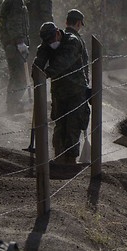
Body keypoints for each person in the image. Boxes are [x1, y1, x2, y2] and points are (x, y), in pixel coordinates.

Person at [33, 22, 90, 164]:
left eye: (52, 39)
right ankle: (58, 157)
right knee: (59, 125)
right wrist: (36, 74)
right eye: (48, 41)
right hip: (59, 93)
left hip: (76, 92)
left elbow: (62, 63)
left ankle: (70, 161)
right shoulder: (46, 45)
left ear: (58, 32)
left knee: (73, 125)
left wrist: (45, 74)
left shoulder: (72, 42)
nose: (51, 43)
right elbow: (38, 62)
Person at [0, 0, 37, 114]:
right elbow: (13, 23)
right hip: (14, 45)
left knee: (17, 74)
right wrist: (20, 42)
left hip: (13, 44)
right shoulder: (15, 0)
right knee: (19, 75)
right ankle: (13, 105)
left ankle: (13, 104)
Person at [27, 0, 54, 65]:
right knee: (41, 56)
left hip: (30, 31)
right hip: (40, 32)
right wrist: (52, 30)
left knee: (31, 55)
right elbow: (46, 15)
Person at [65, 9, 90, 85]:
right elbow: (84, 64)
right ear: (78, 23)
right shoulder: (78, 41)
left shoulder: (59, 37)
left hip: (59, 89)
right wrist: (86, 83)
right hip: (77, 88)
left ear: (66, 22)